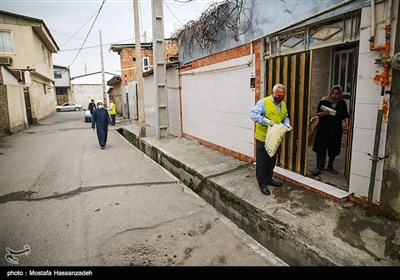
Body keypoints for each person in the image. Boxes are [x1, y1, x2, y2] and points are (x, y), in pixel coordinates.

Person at [250, 83, 291, 196]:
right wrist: (266, 121)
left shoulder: (282, 104)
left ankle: (269, 179)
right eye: (278, 95)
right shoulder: (264, 102)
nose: (280, 97)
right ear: (273, 93)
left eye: (282, 95)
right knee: (262, 162)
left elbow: (285, 116)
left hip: (275, 138)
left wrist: (287, 123)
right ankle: (262, 183)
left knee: (271, 161)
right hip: (263, 138)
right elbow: (253, 115)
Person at [311, 85, 349, 175]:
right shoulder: (324, 101)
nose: (334, 95)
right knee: (320, 148)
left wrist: (347, 123)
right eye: (333, 93)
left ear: (340, 94)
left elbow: (345, 115)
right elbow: (318, 114)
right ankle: (319, 167)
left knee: (334, 148)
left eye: (337, 94)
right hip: (323, 129)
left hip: (336, 130)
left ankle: (330, 166)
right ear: (330, 92)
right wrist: (324, 113)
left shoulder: (342, 103)